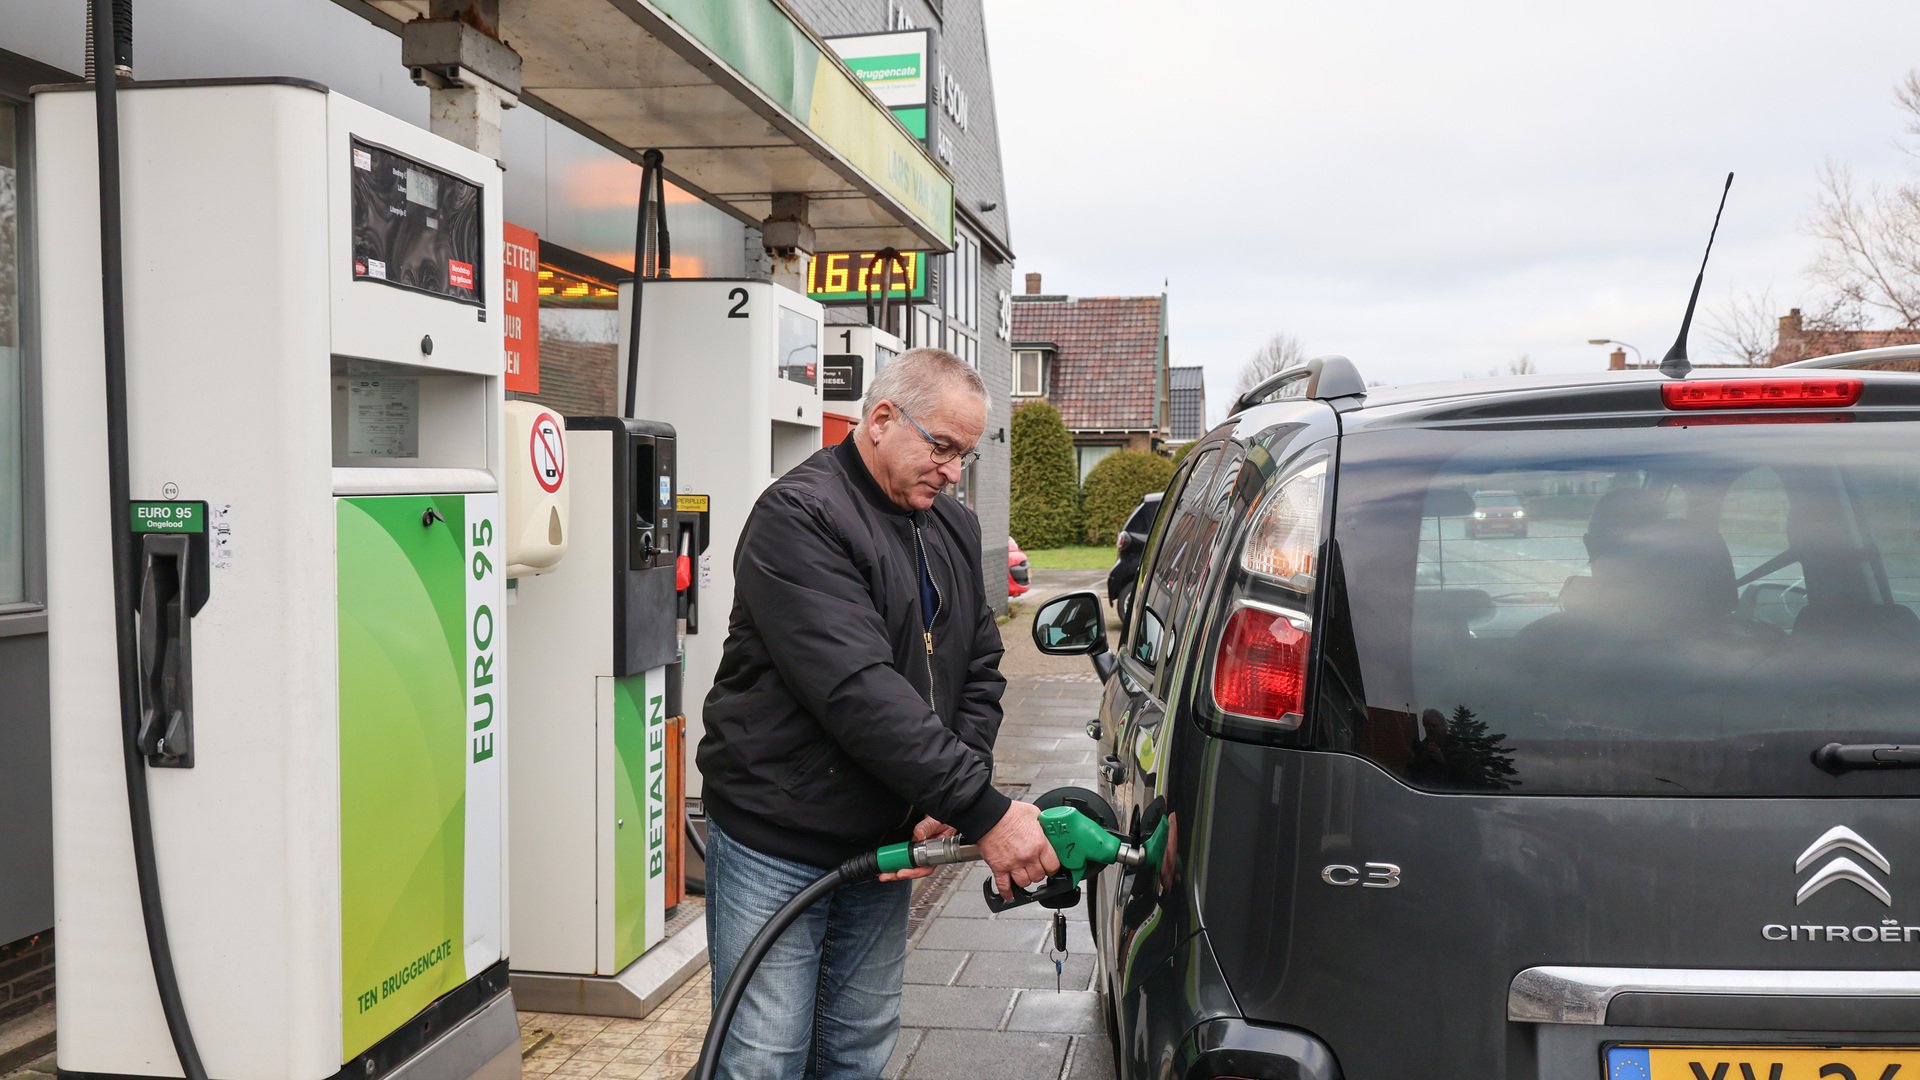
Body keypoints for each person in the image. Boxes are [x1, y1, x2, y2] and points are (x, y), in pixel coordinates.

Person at [697, 347, 1060, 1080]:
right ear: (883, 419)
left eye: (966, 454)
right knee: (763, 1058)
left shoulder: (951, 528)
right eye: (944, 447)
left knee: (857, 1047)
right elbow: (858, 691)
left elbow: (980, 670)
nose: (955, 471)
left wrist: (949, 798)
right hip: (779, 839)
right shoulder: (799, 518)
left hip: (883, 842)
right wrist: (983, 809)